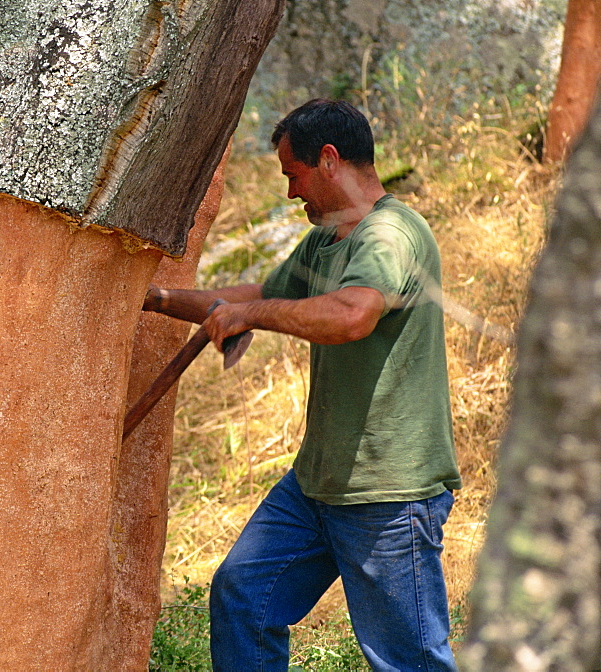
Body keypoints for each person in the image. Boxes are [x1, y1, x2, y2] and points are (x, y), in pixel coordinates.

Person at [144, 99, 462, 671]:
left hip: (387, 493)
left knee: (407, 660)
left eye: (294, 175)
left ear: (330, 160)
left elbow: (351, 316)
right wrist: (154, 301)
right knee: (244, 594)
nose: (292, 193)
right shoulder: (327, 242)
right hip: (318, 483)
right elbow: (250, 297)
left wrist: (253, 317)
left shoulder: (391, 235)